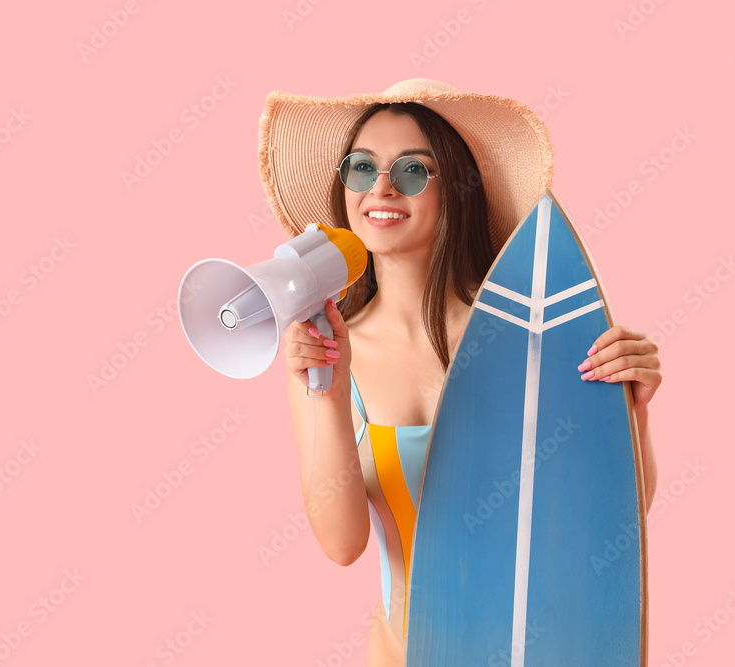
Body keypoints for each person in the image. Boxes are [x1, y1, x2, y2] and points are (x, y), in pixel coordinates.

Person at [257, 78, 661, 665]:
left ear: (459, 191)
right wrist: (329, 391)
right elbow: (342, 545)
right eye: (362, 167)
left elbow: (615, 513)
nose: (382, 188)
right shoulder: (321, 353)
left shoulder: (534, 332)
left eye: (414, 171)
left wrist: (632, 412)